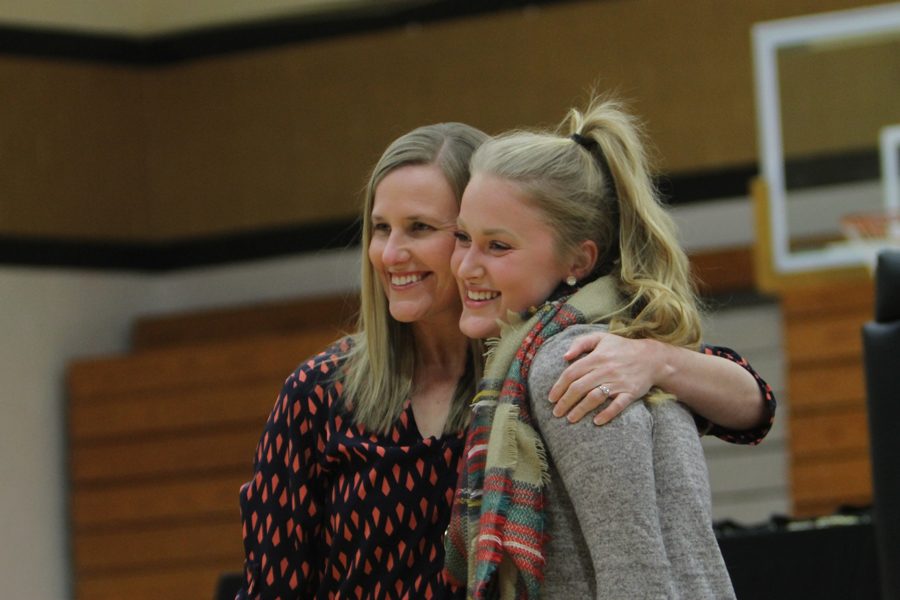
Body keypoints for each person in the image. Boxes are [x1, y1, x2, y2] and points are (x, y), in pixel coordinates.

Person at [237, 120, 774, 599]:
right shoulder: (316, 392)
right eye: (381, 228)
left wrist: (658, 360)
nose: (391, 253)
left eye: (423, 228)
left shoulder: (549, 360)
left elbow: (754, 407)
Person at [444, 96, 750, 599]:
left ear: (578, 261)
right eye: (462, 237)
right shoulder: (619, 338)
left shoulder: (568, 363)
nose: (466, 266)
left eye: (498, 246)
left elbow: (635, 571)